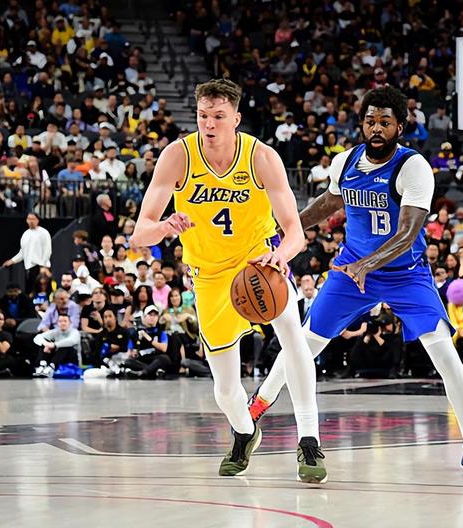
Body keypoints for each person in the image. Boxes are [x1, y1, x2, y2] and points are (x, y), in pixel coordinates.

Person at [249, 86, 463, 472]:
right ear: (362, 124)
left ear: (400, 126)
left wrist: (369, 264)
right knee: (304, 344)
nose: (377, 128)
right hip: (350, 269)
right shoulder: (345, 162)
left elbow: (407, 232)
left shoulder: (413, 167)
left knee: (445, 356)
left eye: (385, 122)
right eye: (370, 121)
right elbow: (329, 202)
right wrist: (287, 229)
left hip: (405, 274)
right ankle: (258, 405)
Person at [130, 79, 325, 483]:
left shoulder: (261, 157)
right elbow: (139, 234)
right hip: (209, 277)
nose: (209, 124)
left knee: (293, 336)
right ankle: (244, 431)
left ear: (236, 118)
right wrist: (165, 226)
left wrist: (280, 255)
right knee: (224, 390)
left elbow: (295, 232)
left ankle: (309, 440)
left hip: (259, 264)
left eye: (218, 116)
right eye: (203, 116)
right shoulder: (177, 156)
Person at [3, 213, 52, 293]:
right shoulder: (25, 234)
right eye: (29, 219)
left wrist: (43, 266)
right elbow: (22, 252)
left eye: (33, 219)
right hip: (29, 268)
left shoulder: (44, 232)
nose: (31, 221)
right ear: (26, 220)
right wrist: (12, 261)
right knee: (31, 292)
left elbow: (48, 250)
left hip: (41, 267)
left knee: (43, 291)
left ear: (38, 220)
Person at [32, 313, 81, 378]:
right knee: (44, 343)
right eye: (60, 321)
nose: (63, 323)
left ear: (70, 323)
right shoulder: (55, 331)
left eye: (65, 321)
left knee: (65, 347)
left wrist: (54, 345)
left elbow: (71, 341)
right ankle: (42, 366)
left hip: (71, 361)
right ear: (57, 323)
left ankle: (51, 367)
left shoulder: (75, 332)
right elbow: (37, 338)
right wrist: (47, 344)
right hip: (58, 358)